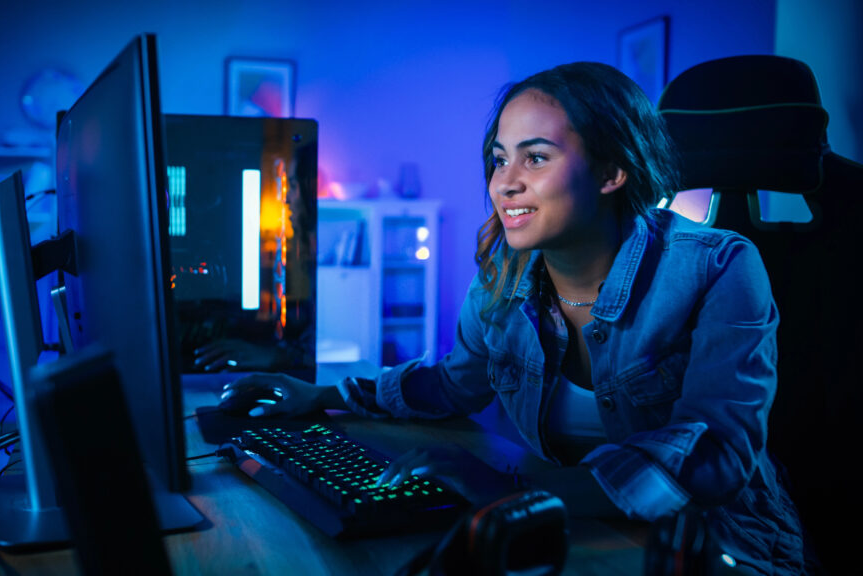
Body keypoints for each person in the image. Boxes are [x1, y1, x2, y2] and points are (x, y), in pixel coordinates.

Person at [220, 62, 807, 574]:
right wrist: (322, 394)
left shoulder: (720, 267)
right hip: (576, 531)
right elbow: (455, 382)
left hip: (718, 548)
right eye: (500, 158)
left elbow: (714, 454)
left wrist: (512, 487)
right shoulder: (505, 271)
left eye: (537, 157)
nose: (505, 182)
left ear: (611, 172)